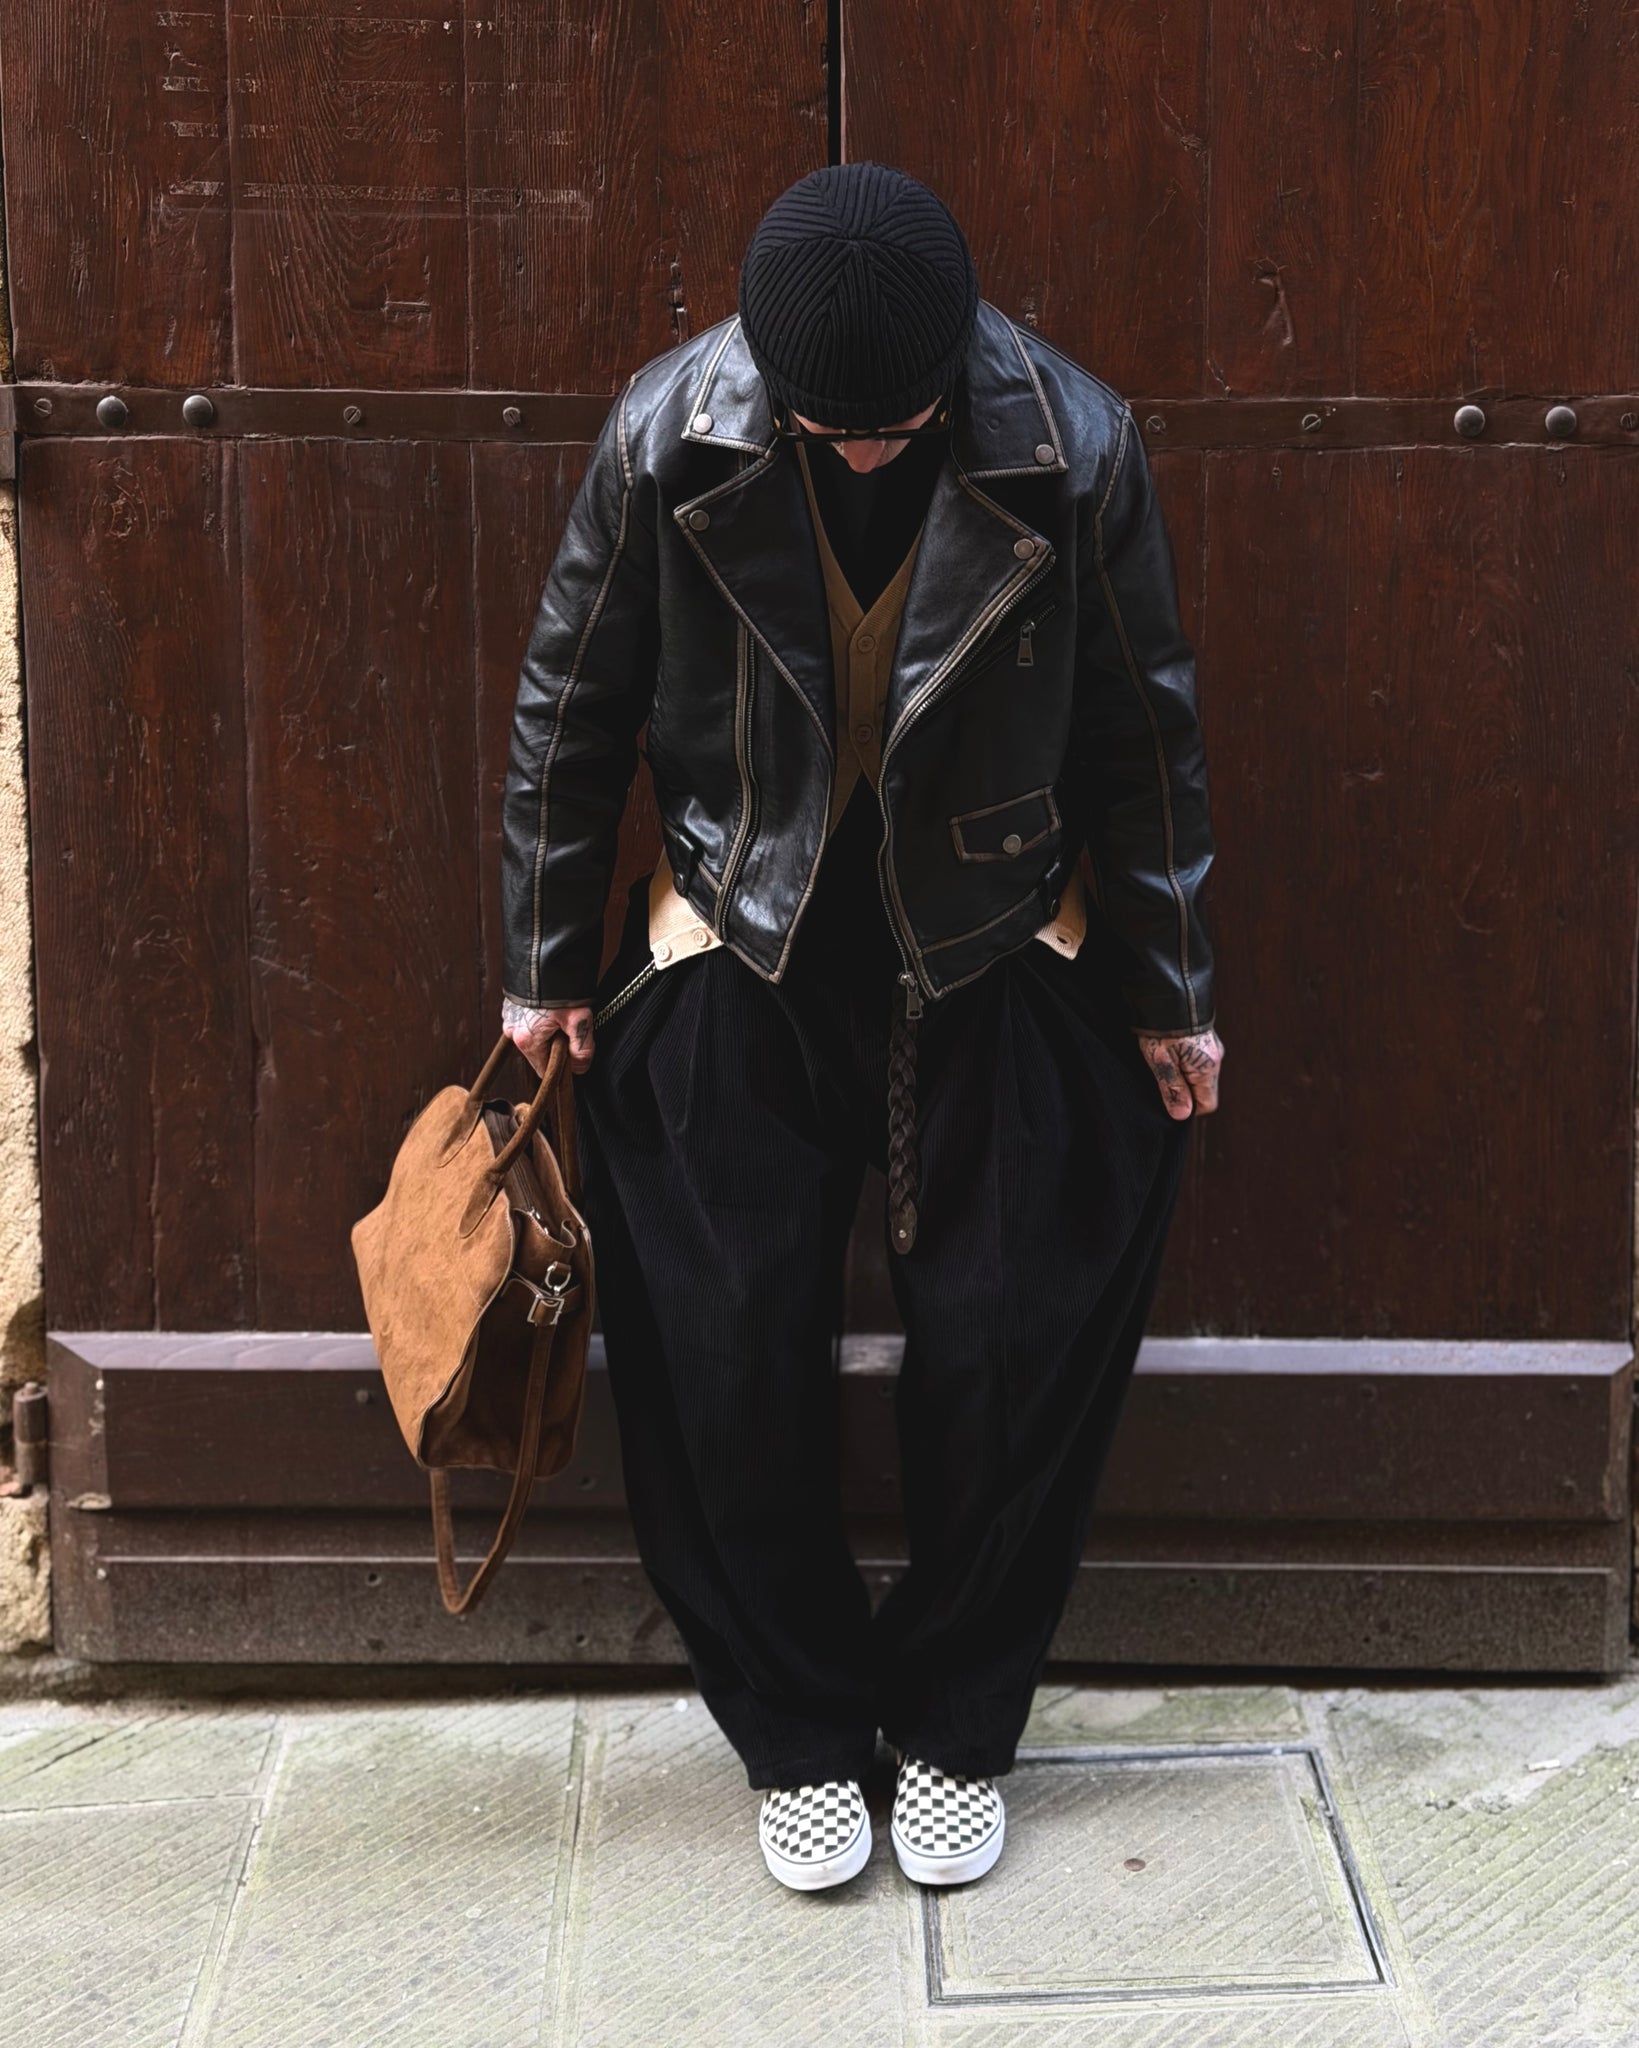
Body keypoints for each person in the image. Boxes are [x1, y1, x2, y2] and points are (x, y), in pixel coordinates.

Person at [498, 163, 1223, 1893]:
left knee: (1014, 1333)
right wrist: (541, 968)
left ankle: (959, 1722)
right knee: (722, 1338)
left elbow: (1145, 731)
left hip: (996, 929)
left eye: (902, 427)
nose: (872, 457)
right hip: (735, 922)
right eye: (835, 433)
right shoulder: (666, 437)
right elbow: (569, 707)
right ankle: (801, 1731)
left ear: (956, 368)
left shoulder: (1078, 445)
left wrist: (1174, 993)